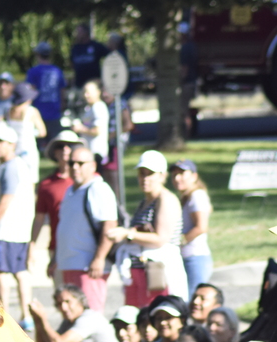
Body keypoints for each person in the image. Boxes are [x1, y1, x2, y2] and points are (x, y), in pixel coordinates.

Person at [108, 151, 187, 307]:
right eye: (141, 174)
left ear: (162, 176)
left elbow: (160, 239)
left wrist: (128, 234)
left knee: (156, 316)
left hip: (158, 273)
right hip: (139, 272)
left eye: (149, 174)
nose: (144, 178)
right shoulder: (145, 201)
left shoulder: (166, 200)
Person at [0, 123, 35, 325]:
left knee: (1, 273)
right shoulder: (19, 166)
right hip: (20, 230)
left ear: (12, 144)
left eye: (1, 141)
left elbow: (5, 200)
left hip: (5, 230)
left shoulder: (10, 168)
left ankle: (5, 317)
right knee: (20, 272)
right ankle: (27, 315)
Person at [53, 145, 118, 312]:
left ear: (92, 166)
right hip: (69, 263)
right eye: (72, 163)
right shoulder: (70, 190)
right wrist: (55, 258)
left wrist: (99, 258)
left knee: (90, 315)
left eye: (81, 163)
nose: (75, 167)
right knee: (72, 314)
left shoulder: (98, 189)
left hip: (88, 266)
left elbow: (110, 225)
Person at [30, 132, 78, 263]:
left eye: (70, 146)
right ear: (55, 153)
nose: (65, 149)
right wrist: (32, 245)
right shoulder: (47, 185)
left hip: (85, 247)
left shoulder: (91, 182)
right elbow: (39, 218)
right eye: (61, 146)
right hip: (57, 248)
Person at [28, 285, 117, 342]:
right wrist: (37, 320)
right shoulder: (68, 322)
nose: (63, 307)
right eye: (59, 304)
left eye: (67, 302)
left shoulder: (89, 319)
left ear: (80, 301)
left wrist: (43, 318)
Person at [171, 159, 214, 289]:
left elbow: (201, 227)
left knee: (192, 299)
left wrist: (179, 242)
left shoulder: (197, 196)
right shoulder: (187, 196)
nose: (177, 178)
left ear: (194, 176)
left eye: (182, 174)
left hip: (195, 258)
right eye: (174, 175)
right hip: (188, 257)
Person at [3, 82, 45, 182]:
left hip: (12, 150)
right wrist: (31, 133)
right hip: (28, 151)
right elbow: (42, 132)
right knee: (30, 182)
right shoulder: (31, 111)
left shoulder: (9, 111)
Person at [25, 42, 65, 131]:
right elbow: (62, 91)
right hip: (54, 113)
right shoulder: (57, 71)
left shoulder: (33, 71)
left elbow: (30, 91)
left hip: (38, 113)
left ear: (38, 55)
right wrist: (62, 106)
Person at [71, 81, 110, 167]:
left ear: (97, 92)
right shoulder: (90, 108)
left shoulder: (98, 107)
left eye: (88, 92)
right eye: (84, 92)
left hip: (97, 152)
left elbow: (97, 130)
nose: (86, 95)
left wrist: (80, 128)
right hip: (90, 151)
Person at [69, 23, 110, 88]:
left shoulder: (96, 46)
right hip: (79, 84)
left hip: (94, 84)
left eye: (79, 32)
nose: (77, 34)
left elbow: (110, 56)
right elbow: (72, 64)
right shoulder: (75, 48)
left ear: (86, 32)